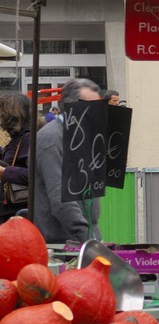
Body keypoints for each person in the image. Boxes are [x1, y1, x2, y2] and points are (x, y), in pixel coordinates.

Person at [32, 77, 102, 242]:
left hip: (80, 241)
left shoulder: (82, 134)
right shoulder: (51, 139)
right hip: (62, 244)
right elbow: (61, 199)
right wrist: (88, 239)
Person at [0, 92, 32, 222]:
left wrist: (5, 172)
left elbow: (34, 174)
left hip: (16, 213)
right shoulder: (19, 137)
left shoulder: (28, 137)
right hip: (11, 210)